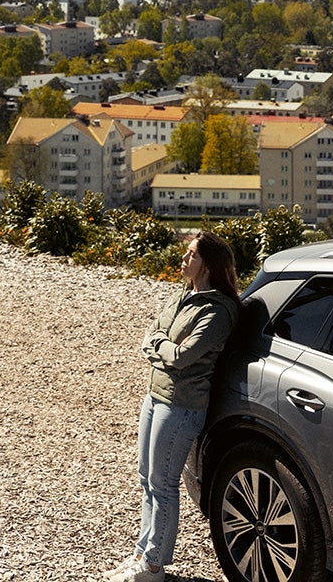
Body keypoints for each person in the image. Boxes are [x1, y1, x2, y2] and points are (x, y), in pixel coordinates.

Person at [107, 230, 240, 582]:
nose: (184, 259)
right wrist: (162, 346)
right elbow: (153, 333)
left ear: (208, 264)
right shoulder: (184, 296)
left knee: (164, 484)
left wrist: (160, 348)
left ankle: (153, 567)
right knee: (147, 479)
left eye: (192, 255)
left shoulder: (218, 311)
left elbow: (183, 356)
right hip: (155, 397)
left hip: (181, 406)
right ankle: (142, 553)